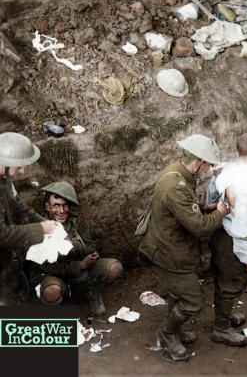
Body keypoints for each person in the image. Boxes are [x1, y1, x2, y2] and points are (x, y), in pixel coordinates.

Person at [139, 134, 229, 361]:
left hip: (172, 246)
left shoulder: (177, 172)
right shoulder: (176, 185)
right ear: (198, 161)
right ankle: (167, 333)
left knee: (179, 295)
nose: (209, 169)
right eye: (208, 164)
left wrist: (203, 206)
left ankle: (174, 329)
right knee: (192, 301)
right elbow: (199, 227)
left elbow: (185, 204)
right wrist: (220, 213)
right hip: (171, 253)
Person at [26, 181, 123, 316]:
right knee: (51, 292)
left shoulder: (76, 223)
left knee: (115, 268)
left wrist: (72, 246)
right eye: (57, 205)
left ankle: (92, 292)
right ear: (48, 207)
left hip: (81, 273)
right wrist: (80, 265)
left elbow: (91, 248)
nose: (61, 211)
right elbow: (45, 266)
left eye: (65, 205)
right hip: (55, 275)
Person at [210, 133, 247, 347]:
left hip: (222, 233)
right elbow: (242, 228)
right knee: (233, 281)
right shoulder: (245, 185)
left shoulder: (228, 167)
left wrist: (213, 209)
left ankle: (225, 318)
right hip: (233, 240)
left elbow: (212, 195)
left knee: (224, 278)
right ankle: (221, 329)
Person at [0, 132, 58, 299]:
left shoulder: (5, 181)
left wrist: (49, 225)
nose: (23, 171)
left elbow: (18, 207)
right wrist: (40, 229)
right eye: (19, 166)